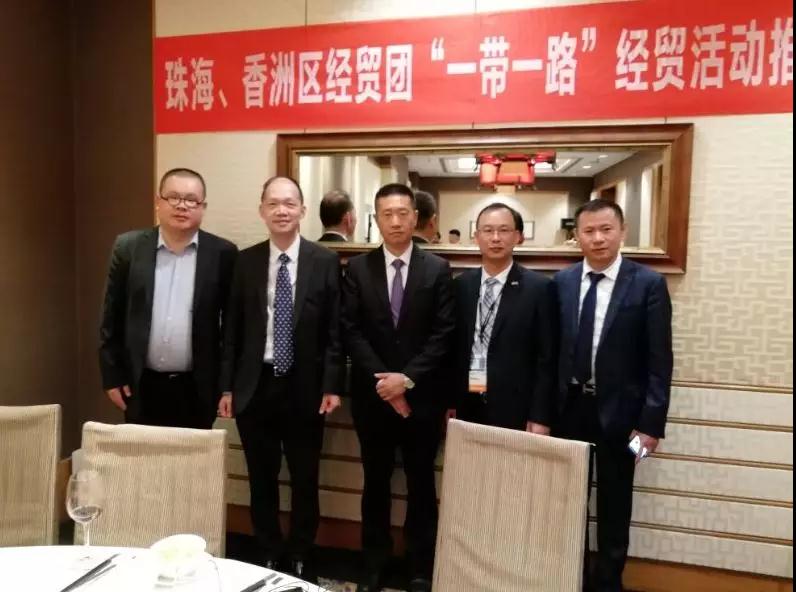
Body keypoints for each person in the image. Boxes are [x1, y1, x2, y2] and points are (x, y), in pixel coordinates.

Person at [218, 176, 343, 583]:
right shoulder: (245, 262)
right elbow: (232, 330)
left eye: (289, 203)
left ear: (303, 210)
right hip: (255, 386)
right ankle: (268, 552)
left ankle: (302, 553)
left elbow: (334, 331)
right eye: (273, 203)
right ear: (262, 211)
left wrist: (332, 384)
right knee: (261, 478)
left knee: (305, 478)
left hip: (306, 389)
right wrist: (227, 386)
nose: (282, 210)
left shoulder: (324, 261)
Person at [553, 199, 672, 592]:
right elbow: (551, 353)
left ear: (623, 232)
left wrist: (650, 426)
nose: (598, 238)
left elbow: (659, 361)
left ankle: (607, 584)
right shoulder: (562, 282)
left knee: (615, 506)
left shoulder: (648, 283)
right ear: (577, 236)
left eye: (606, 229)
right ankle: (567, 578)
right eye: (589, 231)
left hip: (624, 418)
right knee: (566, 504)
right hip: (569, 410)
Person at [342, 183, 455, 592]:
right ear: (376, 219)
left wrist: (405, 380)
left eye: (402, 213)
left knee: (421, 482)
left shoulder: (437, 269)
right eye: (387, 214)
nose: (395, 221)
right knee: (375, 481)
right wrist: (386, 383)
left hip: (421, 399)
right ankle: (373, 562)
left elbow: (443, 333)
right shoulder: (357, 269)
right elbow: (351, 331)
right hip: (373, 398)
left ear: (416, 218)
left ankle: (420, 565)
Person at [99, 167, 237, 428]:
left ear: (203, 207)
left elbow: (231, 327)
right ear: (158, 202)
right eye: (173, 197)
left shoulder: (223, 253)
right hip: (140, 384)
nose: (182, 206)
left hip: (198, 387)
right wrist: (112, 376)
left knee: (192, 454)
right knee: (142, 454)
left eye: (191, 200)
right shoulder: (128, 248)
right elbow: (110, 318)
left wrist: (227, 385)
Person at [449, 203, 557, 432]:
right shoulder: (461, 285)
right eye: (488, 230)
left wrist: (540, 416)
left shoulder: (539, 288)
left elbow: (546, 359)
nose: (495, 238)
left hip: (516, 409)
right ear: (477, 237)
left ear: (518, 236)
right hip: (468, 404)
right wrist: (450, 402)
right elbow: (453, 350)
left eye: (504, 230)